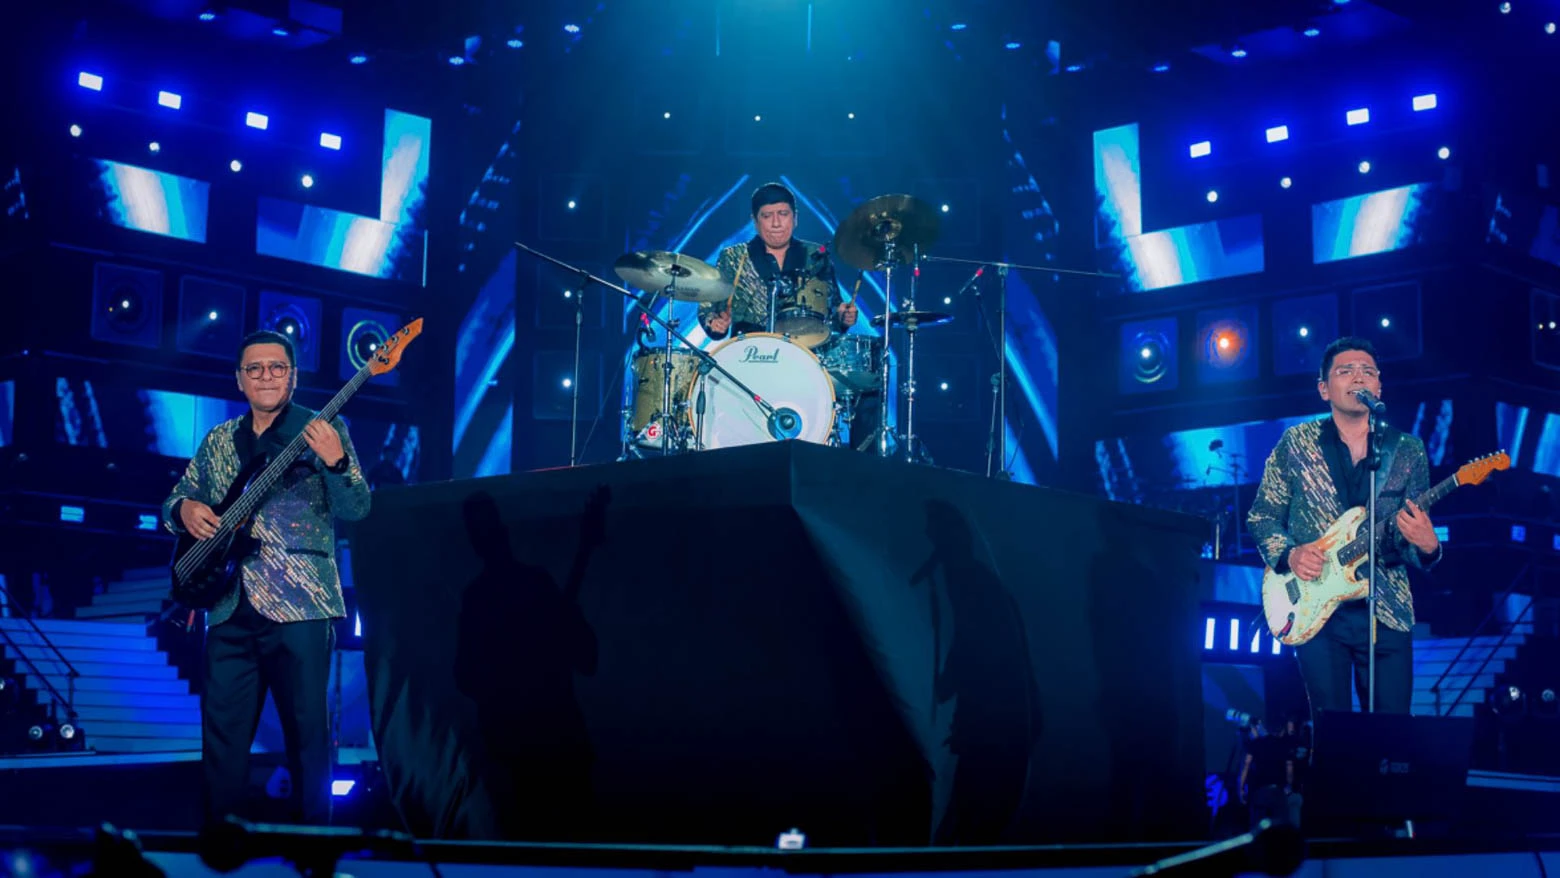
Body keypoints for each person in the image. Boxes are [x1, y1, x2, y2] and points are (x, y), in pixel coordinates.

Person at [162, 330, 371, 826]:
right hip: (230, 605)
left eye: (277, 367)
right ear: (239, 379)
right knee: (222, 742)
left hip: (301, 607)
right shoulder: (219, 440)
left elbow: (358, 507)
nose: (266, 376)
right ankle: (221, 849)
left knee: (308, 741)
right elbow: (175, 499)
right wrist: (185, 509)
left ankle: (312, 854)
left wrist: (337, 462)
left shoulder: (323, 428)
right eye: (254, 368)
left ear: (293, 376)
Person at [1247, 336, 1442, 717]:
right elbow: (1262, 515)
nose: (1359, 377)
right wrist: (1290, 553)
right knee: (1332, 732)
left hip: (1386, 607)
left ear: (1379, 387)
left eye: (1368, 371)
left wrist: (1428, 546)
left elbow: (1406, 538)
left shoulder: (1407, 450)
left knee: (1392, 734)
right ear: (1324, 388)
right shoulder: (1296, 444)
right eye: (1346, 371)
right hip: (1318, 607)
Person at [700, 182, 858, 341]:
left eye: (783, 214)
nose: (776, 223)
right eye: (767, 216)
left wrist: (843, 317)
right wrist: (714, 323)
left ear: (795, 218)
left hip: (804, 350)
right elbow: (709, 307)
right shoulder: (734, 257)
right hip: (748, 352)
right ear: (754, 221)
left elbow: (832, 310)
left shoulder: (815, 256)